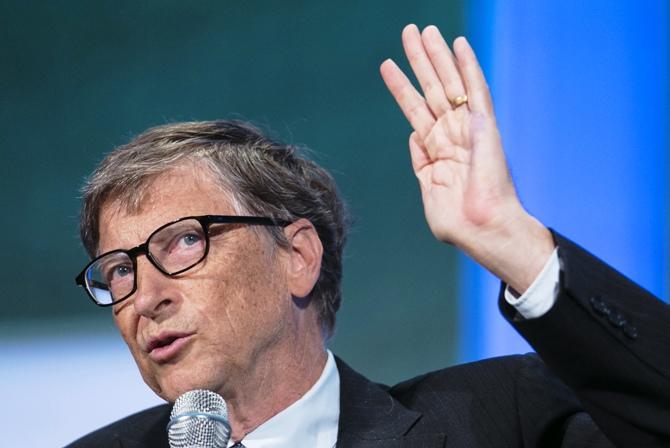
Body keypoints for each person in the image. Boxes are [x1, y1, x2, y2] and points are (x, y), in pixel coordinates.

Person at [67, 24, 670, 447]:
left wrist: (510, 239)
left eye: (183, 241)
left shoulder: (498, 419)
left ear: (298, 257)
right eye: (119, 269)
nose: (145, 297)